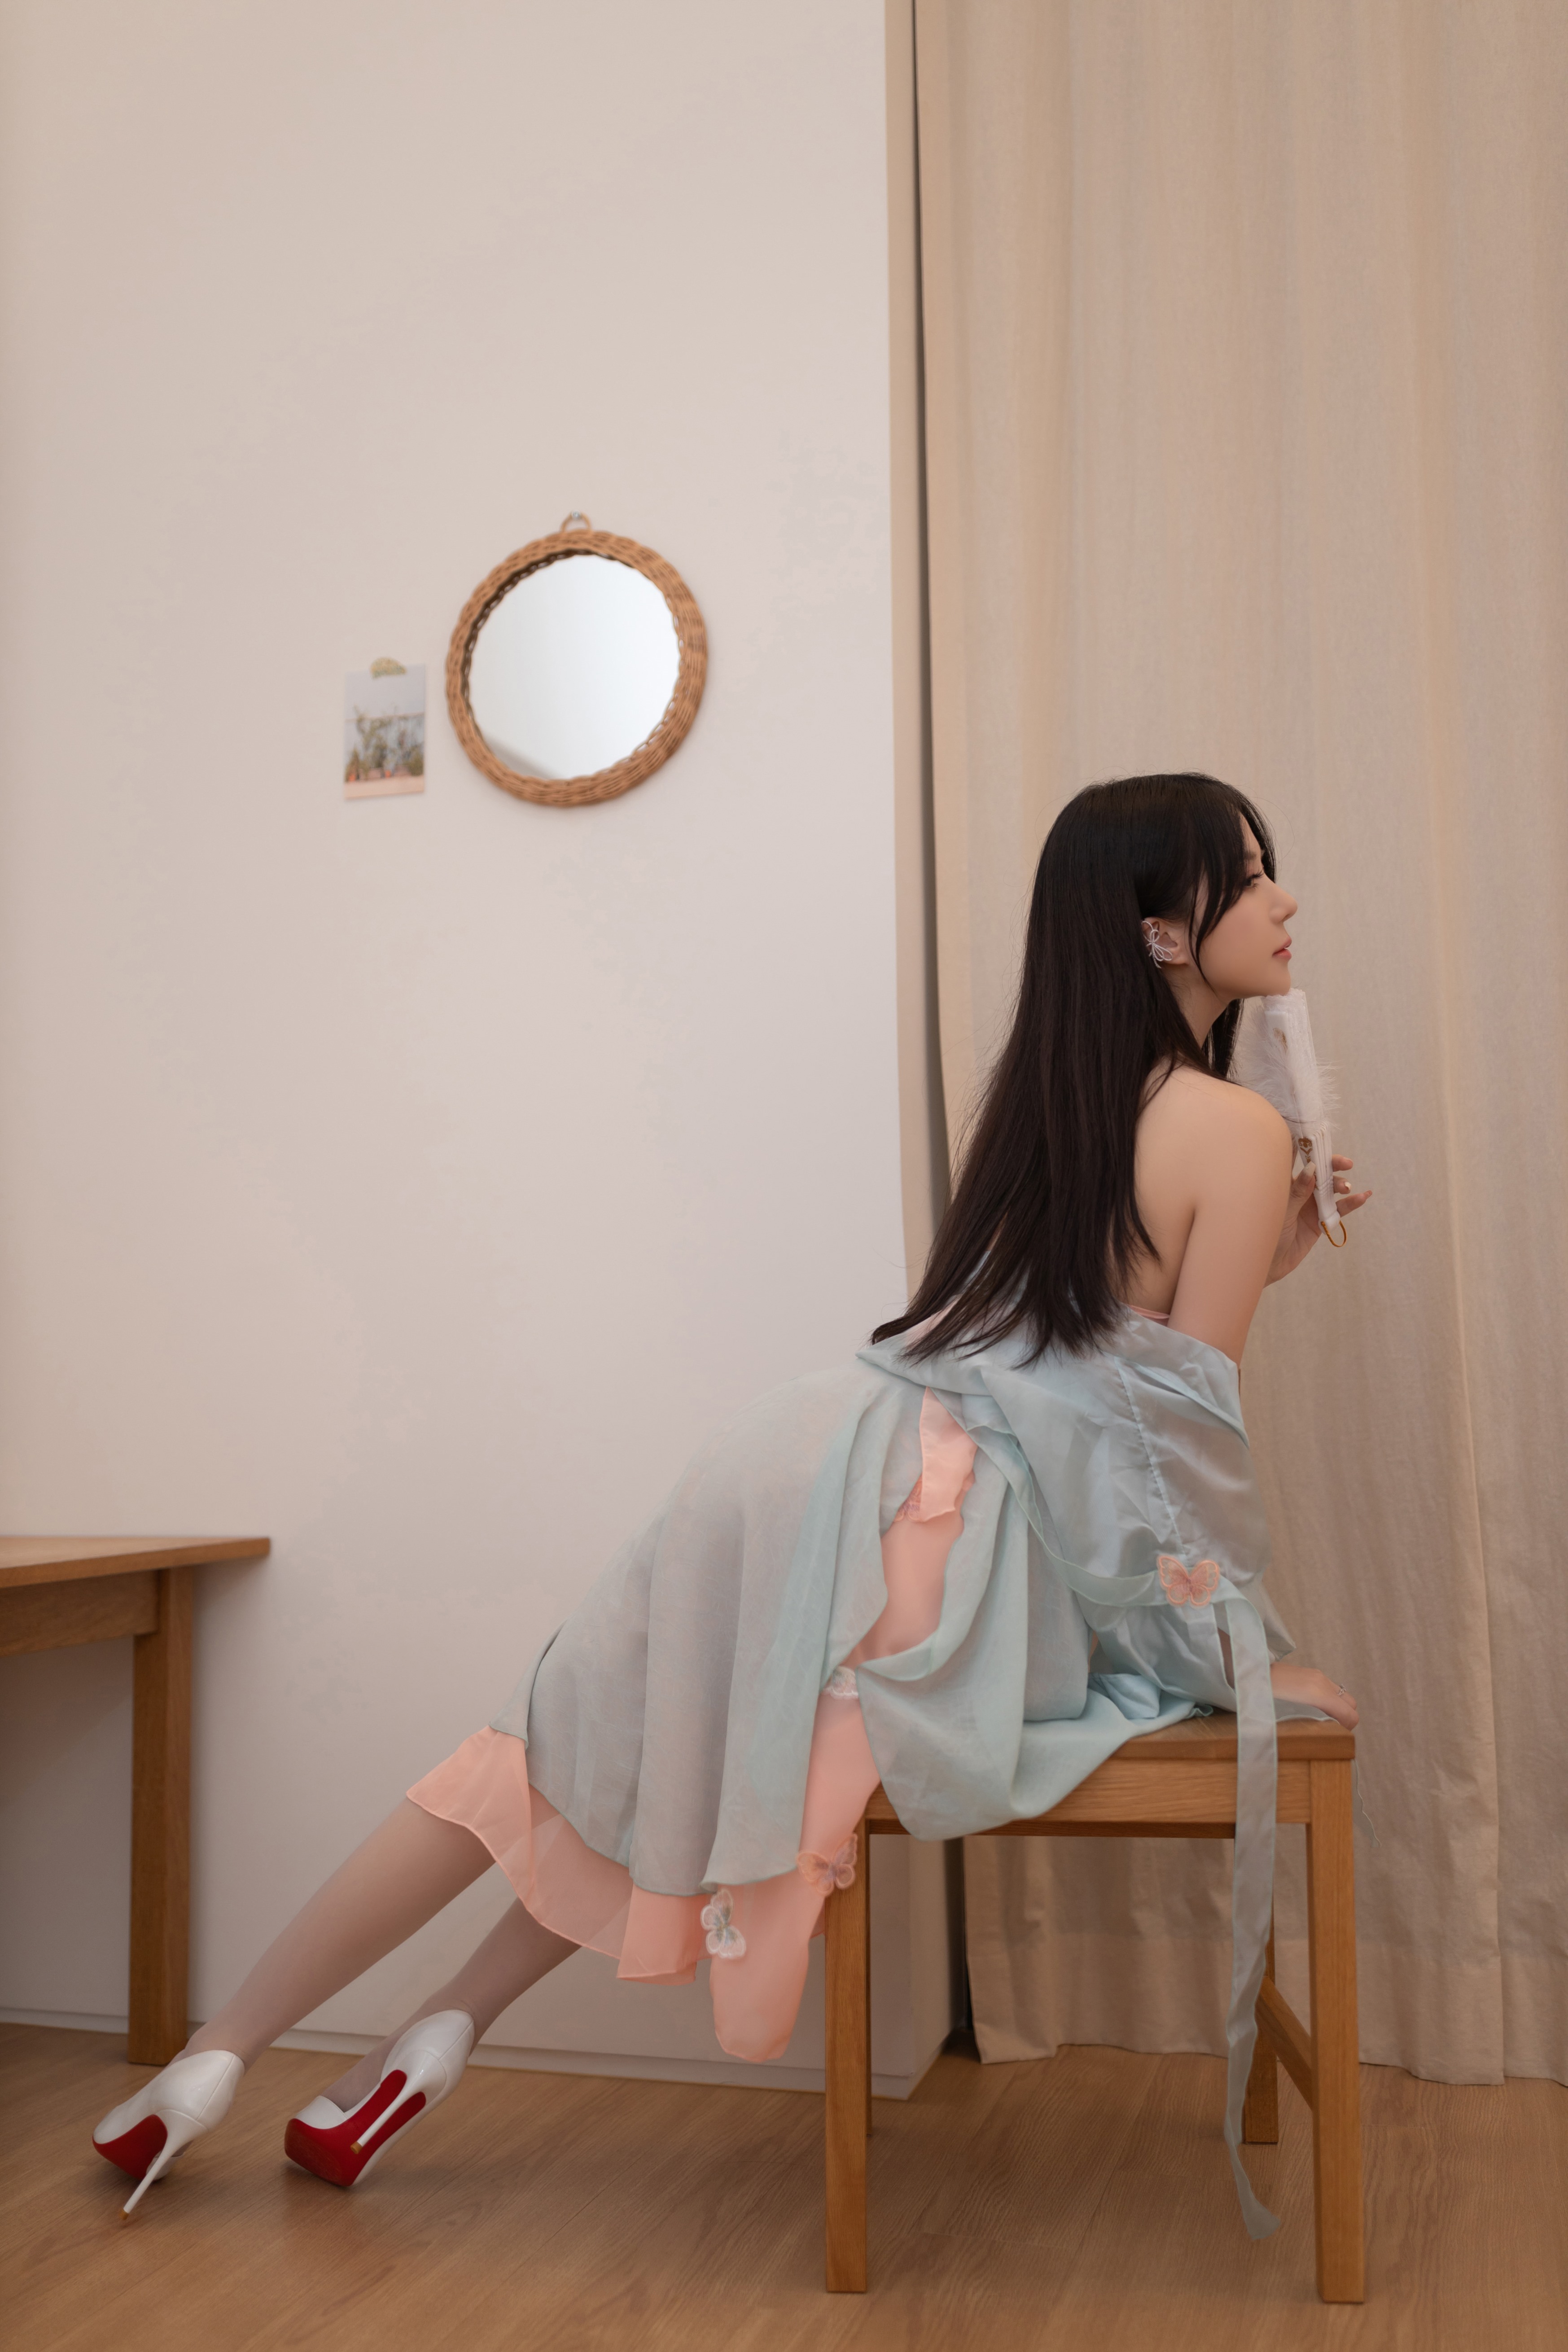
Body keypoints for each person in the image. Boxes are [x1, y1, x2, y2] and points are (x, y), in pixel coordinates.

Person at [92, 773, 1369, 2234]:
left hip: (804, 1449)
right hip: (939, 1532)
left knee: (552, 1757)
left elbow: (1079, 1354)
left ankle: (225, 2055)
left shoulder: (1047, 1107)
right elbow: (1165, 1454)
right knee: (662, 1762)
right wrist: (1233, 1664)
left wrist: (1267, 1251)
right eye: (1246, 873)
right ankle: (437, 2024)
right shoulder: (1240, 1130)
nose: (1282, 898)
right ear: (1160, 927)